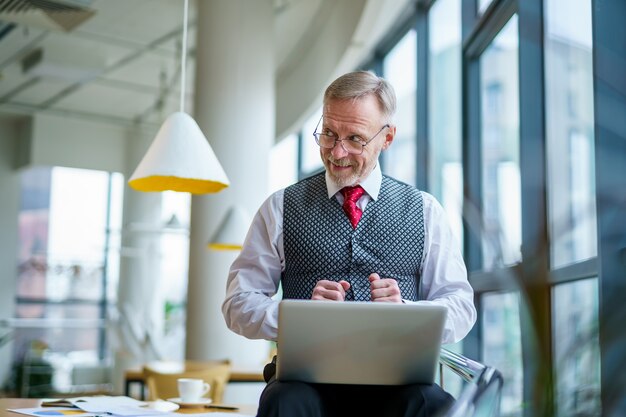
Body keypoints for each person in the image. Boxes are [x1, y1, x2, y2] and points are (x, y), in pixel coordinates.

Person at [222, 70, 476, 417]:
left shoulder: (426, 211)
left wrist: (408, 314)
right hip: (305, 384)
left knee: (433, 405)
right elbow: (238, 302)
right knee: (284, 402)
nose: (337, 151)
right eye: (328, 133)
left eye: (355, 138)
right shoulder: (279, 207)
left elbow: (461, 305)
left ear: (387, 138)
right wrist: (297, 319)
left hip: (398, 384)